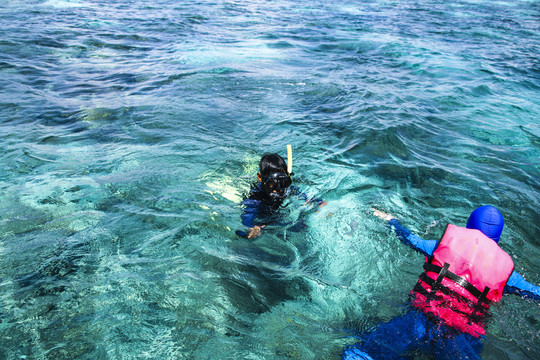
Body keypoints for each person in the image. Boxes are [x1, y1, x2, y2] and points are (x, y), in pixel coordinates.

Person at [342, 205, 540, 360]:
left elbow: (409, 238)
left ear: (469, 226)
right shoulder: (508, 275)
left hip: (419, 319)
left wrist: (389, 219)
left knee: (363, 353)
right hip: (458, 337)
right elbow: (534, 292)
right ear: (497, 238)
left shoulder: (440, 246)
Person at [236, 151, 325, 239]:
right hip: (264, 215)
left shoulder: (287, 189)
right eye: (272, 182)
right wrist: (253, 228)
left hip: (279, 215)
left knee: (302, 227)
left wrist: (320, 205)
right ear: (260, 177)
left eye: (282, 181)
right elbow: (248, 215)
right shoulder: (255, 196)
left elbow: (313, 200)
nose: (278, 188)